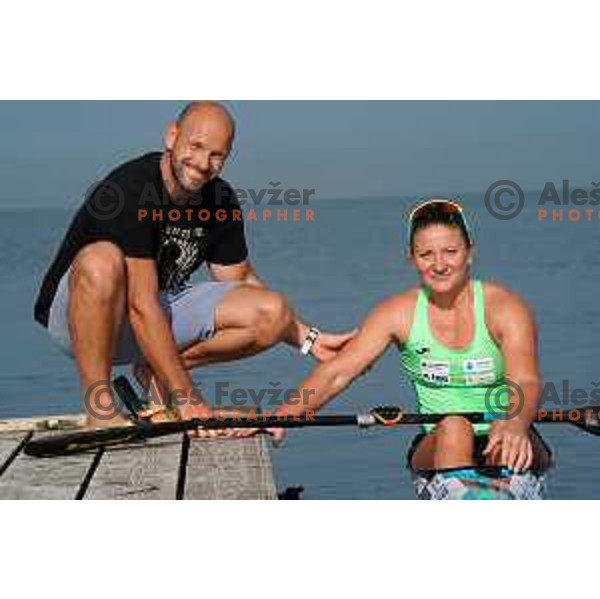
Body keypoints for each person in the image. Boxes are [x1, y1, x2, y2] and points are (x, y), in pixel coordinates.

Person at [34, 101, 354, 429]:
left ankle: (155, 372)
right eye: (196, 146)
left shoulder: (219, 200)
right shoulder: (129, 188)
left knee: (271, 311)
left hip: (147, 314)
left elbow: (239, 278)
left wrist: (307, 337)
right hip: (79, 316)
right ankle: (100, 412)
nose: (203, 163)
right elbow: (141, 305)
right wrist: (189, 399)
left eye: (217, 155)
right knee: (100, 259)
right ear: (172, 137)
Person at [285, 198, 551, 495]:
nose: (439, 265)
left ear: (470, 254)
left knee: (501, 434)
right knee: (454, 426)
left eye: (451, 252)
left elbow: (525, 380)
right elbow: (337, 373)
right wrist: (280, 417)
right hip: (439, 442)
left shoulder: (505, 307)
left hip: (508, 431)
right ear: (411, 258)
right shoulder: (397, 312)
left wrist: (515, 423)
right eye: (426, 254)